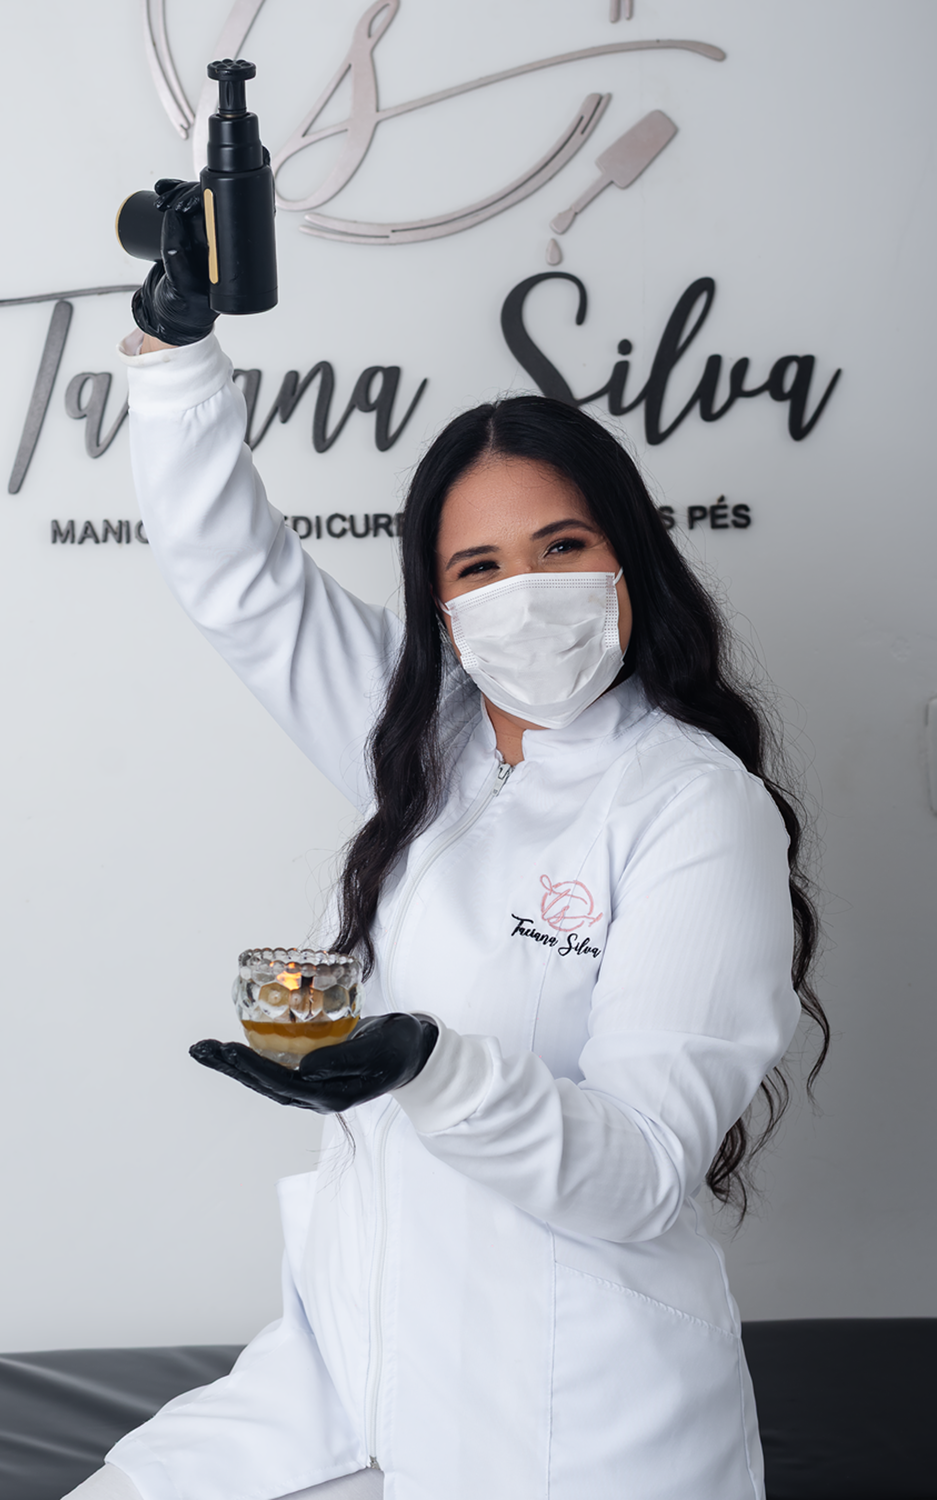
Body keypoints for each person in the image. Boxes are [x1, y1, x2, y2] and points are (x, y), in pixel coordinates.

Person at [66, 183, 828, 1500]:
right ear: (439, 602)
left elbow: (645, 1172)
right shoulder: (426, 735)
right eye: (478, 568)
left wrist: (432, 1067)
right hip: (351, 1375)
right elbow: (243, 585)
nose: (523, 593)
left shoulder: (696, 812)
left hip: (571, 1425)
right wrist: (177, 352)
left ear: (628, 561)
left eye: (560, 546)